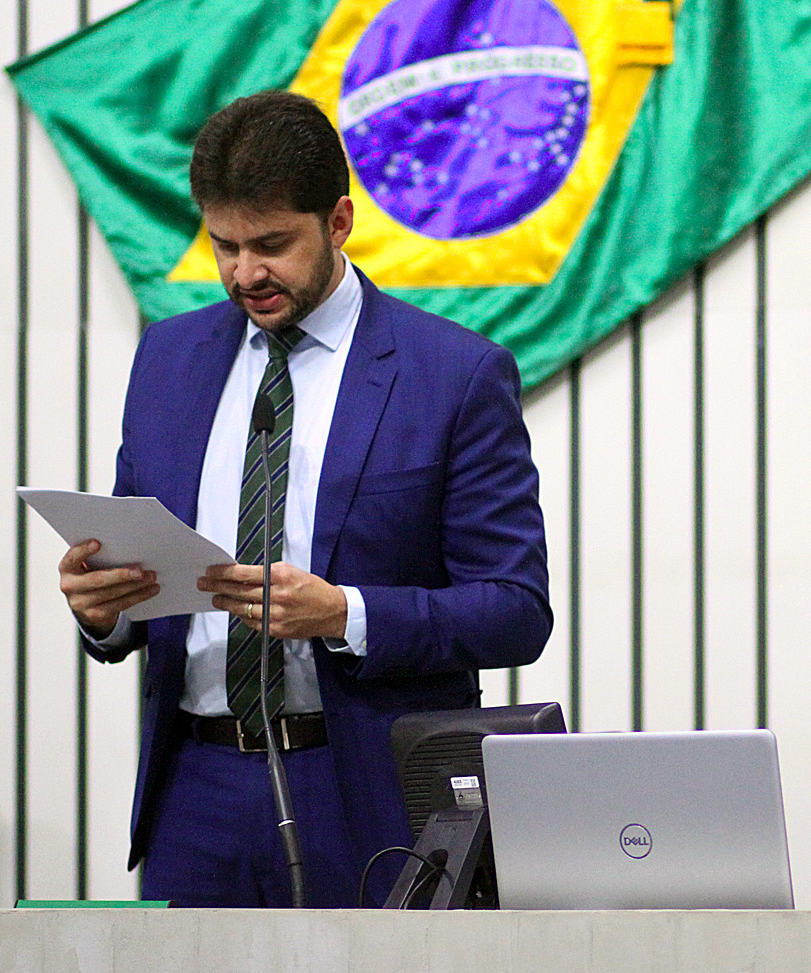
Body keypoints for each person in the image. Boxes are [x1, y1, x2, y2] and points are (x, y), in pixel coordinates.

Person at [56, 91, 551, 907]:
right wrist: (101, 607)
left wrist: (344, 613)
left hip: (365, 791)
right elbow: (136, 566)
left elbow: (515, 608)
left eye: (271, 244)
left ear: (340, 221)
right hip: (195, 792)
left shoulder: (453, 376)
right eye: (223, 245)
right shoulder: (169, 359)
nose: (245, 273)